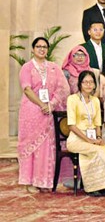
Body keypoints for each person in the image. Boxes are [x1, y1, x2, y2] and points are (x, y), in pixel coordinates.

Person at [17, 37, 69, 191]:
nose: (42, 49)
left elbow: (63, 88)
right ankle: (29, 182)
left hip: (49, 112)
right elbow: (27, 89)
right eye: (38, 46)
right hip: (31, 112)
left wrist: (51, 104)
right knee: (31, 146)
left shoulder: (54, 68)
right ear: (33, 49)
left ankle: (44, 181)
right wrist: (42, 105)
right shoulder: (27, 67)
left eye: (44, 47)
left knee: (47, 147)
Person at [66, 70, 105, 195]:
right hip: (76, 139)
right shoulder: (72, 99)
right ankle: (93, 187)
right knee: (97, 151)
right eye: (85, 82)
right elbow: (71, 125)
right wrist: (89, 140)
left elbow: (97, 124)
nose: (88, 85)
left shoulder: (95, 100)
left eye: (91, 82)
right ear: (80, 84)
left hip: (93, 138)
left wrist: (99, 137)